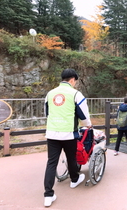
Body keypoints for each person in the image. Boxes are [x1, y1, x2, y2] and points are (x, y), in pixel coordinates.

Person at [43, 68, 92, 207]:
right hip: (69, 133)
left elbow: (47, 113)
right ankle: (74, 179)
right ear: (72, 80)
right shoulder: (76, 94)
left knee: (51, 162)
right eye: (75, 81)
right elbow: (84, 116)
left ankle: (48, 195)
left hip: (52, 132)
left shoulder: (50, 94)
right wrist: (87, 125)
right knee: (71, 157)